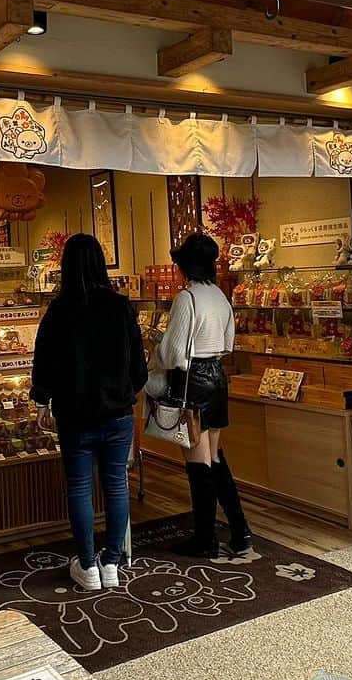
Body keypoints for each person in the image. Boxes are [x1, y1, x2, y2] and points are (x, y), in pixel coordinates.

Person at [31, 234, 148, 592]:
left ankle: (87, 566)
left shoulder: (59, 311)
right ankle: (111, 561)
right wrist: (125, 391)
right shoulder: (121, 307)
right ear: (102, 263)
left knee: (80, 489)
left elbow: (44, 361)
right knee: (116, 486)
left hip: (74, 416)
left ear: (65, 267)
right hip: (118, 415)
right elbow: (139, 369)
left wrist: (41, 401)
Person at [156, 232, 253, 560]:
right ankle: (240, 530)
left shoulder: (188, 298)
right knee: (214, 458)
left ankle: (205, 538)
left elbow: (172, 354)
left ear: (184, 266)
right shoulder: (220, 297)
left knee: (198, 466)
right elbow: (228, 343)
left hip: (192, 382)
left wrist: (156, 348)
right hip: (217, 379)